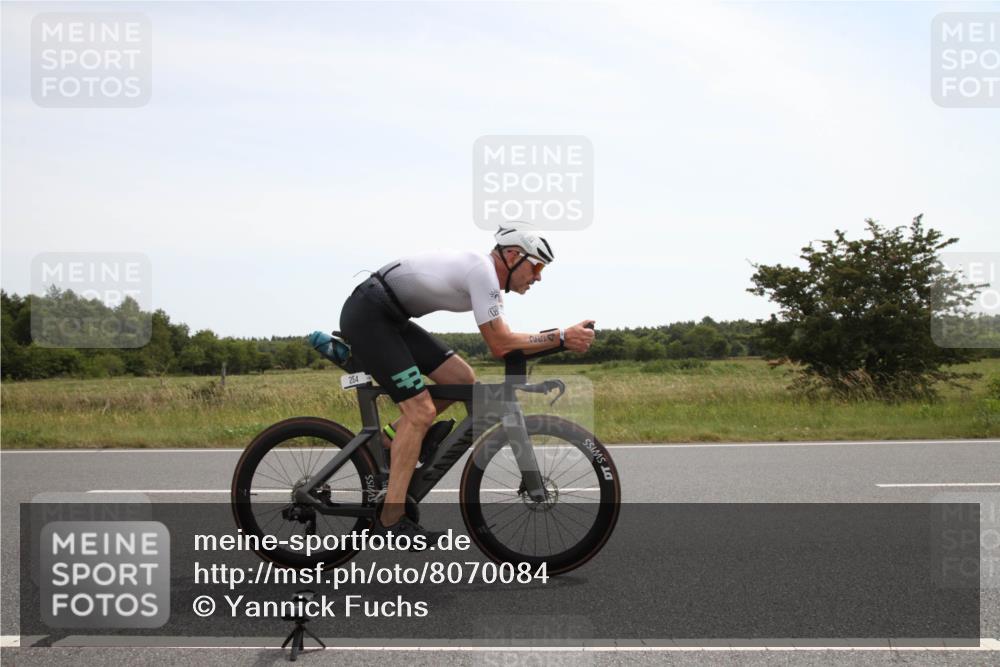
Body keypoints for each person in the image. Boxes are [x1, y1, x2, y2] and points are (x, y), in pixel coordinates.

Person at [339, 224, 595, 542]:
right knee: (420, 412)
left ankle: (391, 440)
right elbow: (500, 344)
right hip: (369, 315)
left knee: (462, 380)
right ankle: (390, 519)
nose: (538, 276)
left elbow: (507, 341)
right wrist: (561, 337)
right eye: (537, 265)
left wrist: (559, 341)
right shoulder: (483, 272)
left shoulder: (487, 278)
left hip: (391, 318)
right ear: (514, 255)